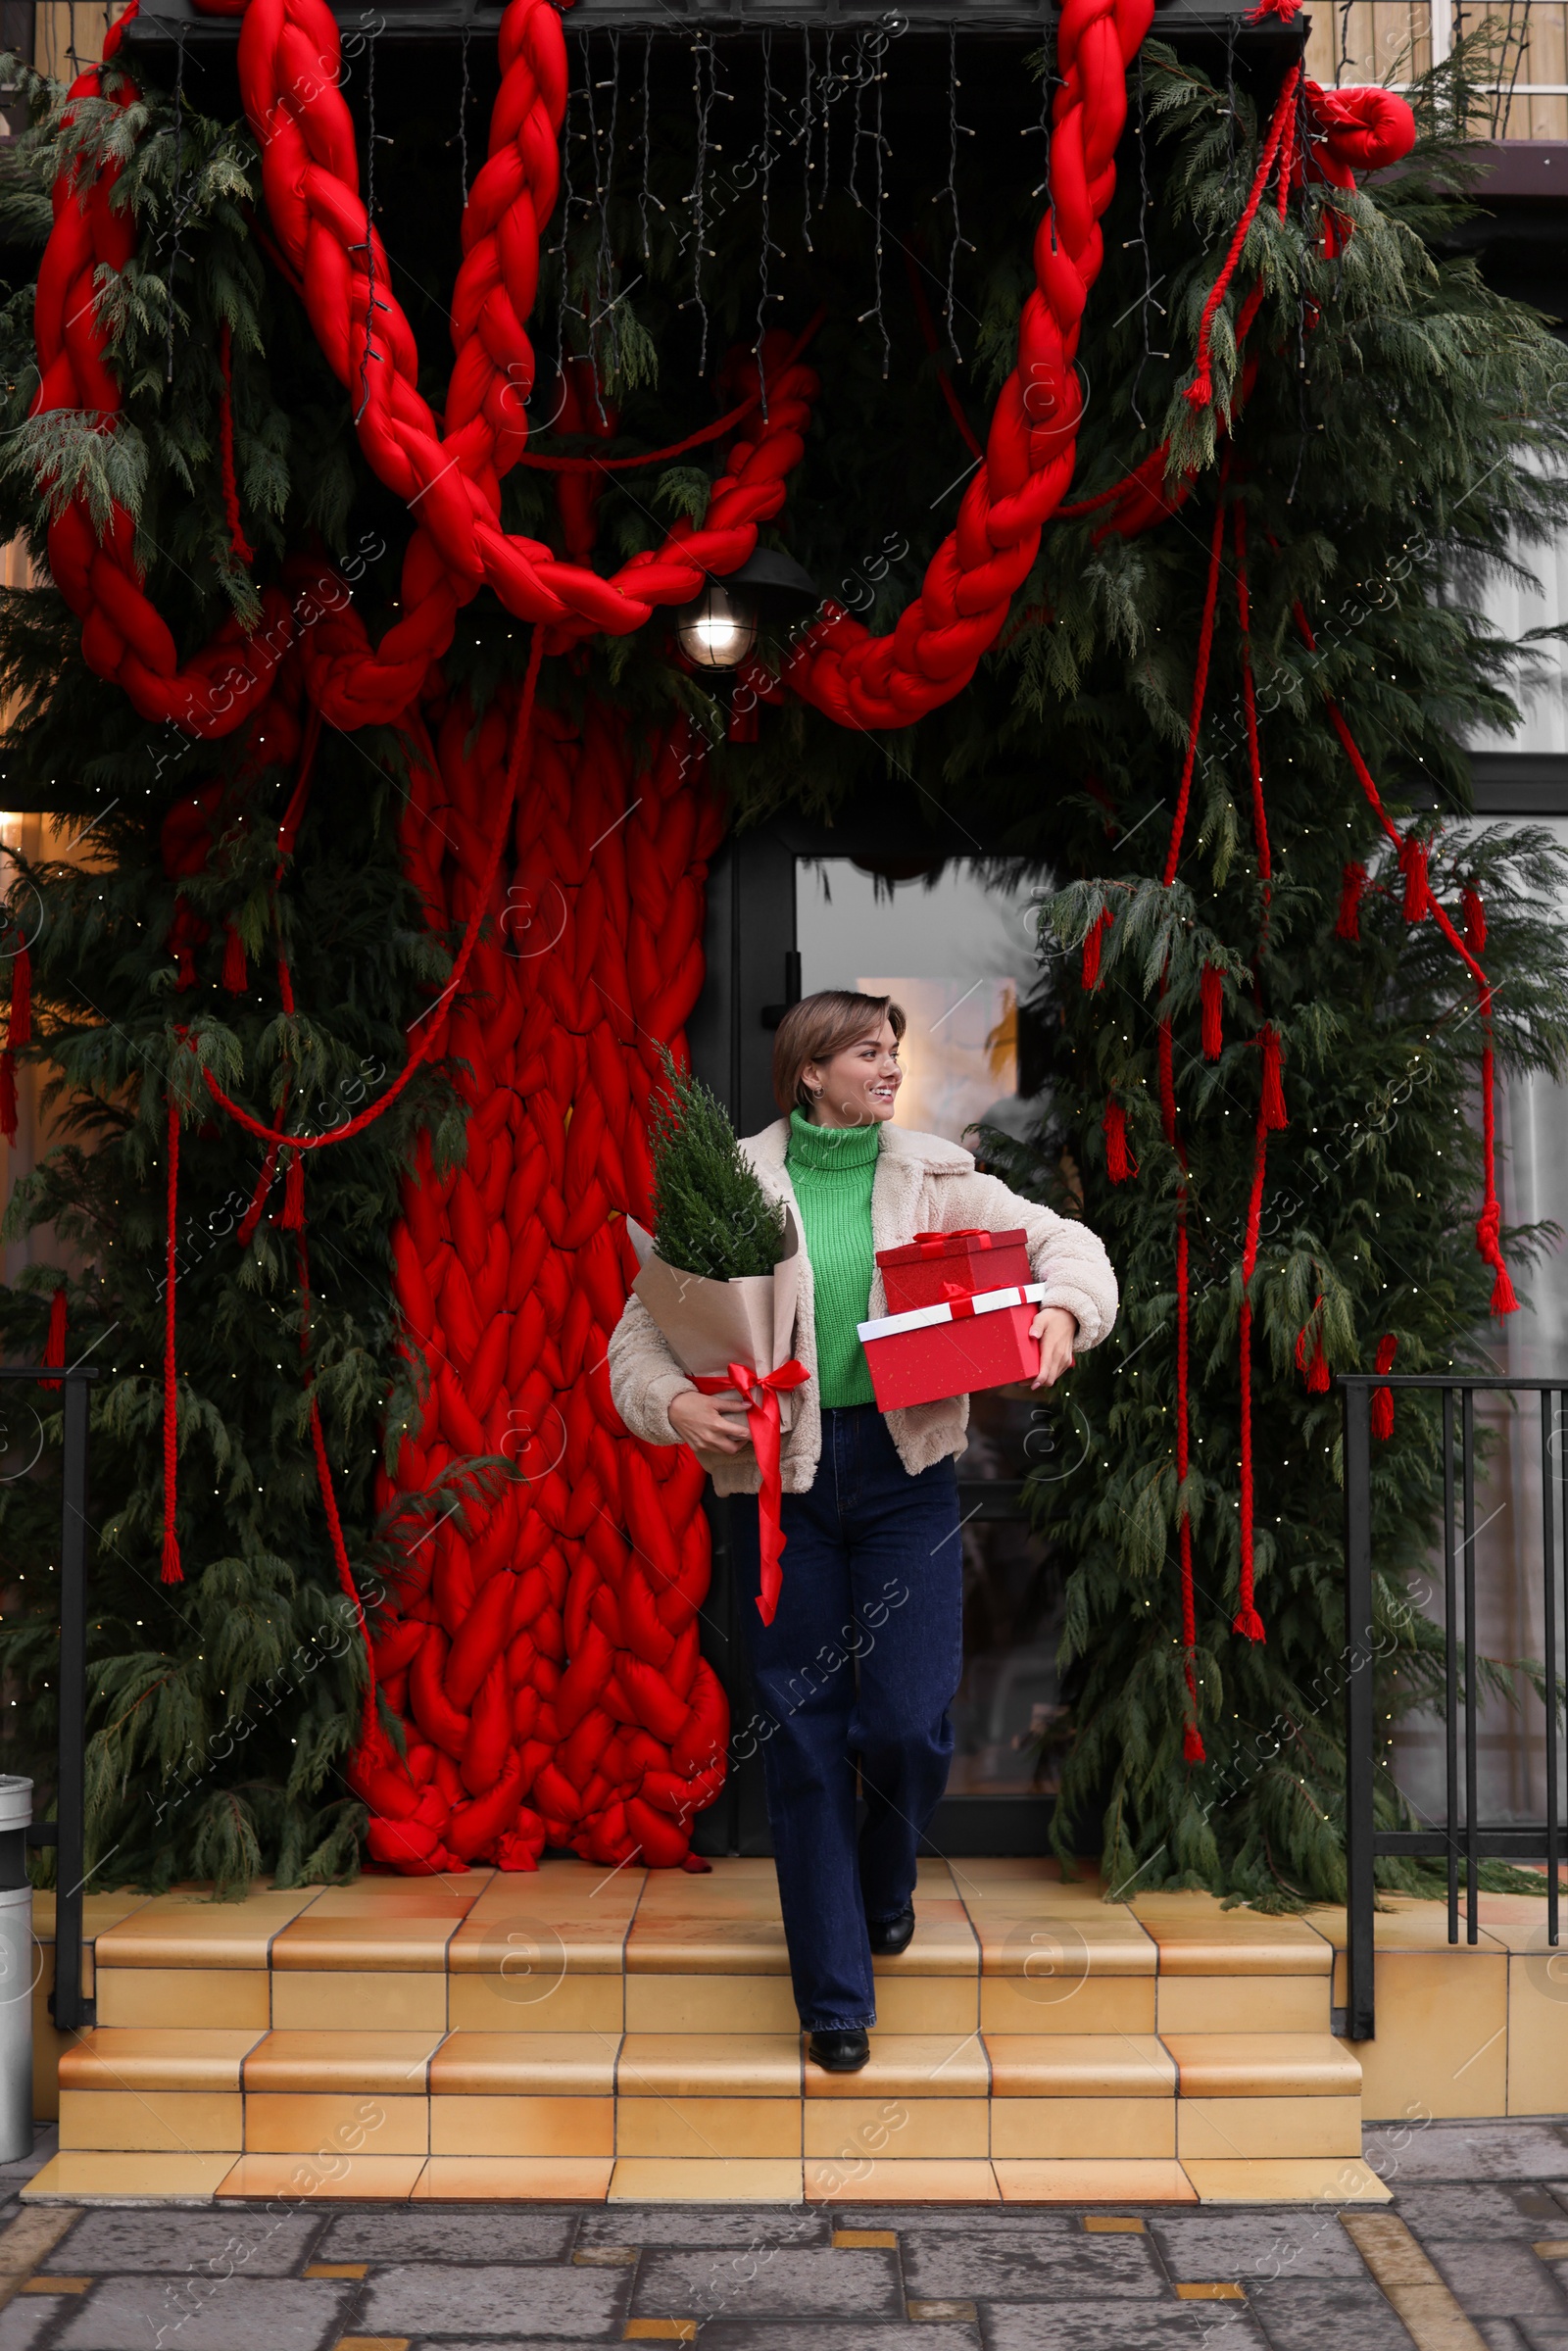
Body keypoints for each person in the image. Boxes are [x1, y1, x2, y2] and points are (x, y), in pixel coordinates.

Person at [608, 991, 1118, 2074]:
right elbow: (638, 1338)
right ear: (807, 1072)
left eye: (894, 1051)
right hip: (776, 1488)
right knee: (800, 1738)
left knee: (907, 1720)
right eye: (866, 1053)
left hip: (903, 1478)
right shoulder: (732, 1180)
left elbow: (1066, 1240)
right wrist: (675, 1405)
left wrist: (1062, 1312)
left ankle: (889, 1880)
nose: (890, 1067)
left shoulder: (936, 1174)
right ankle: (834, 1998)